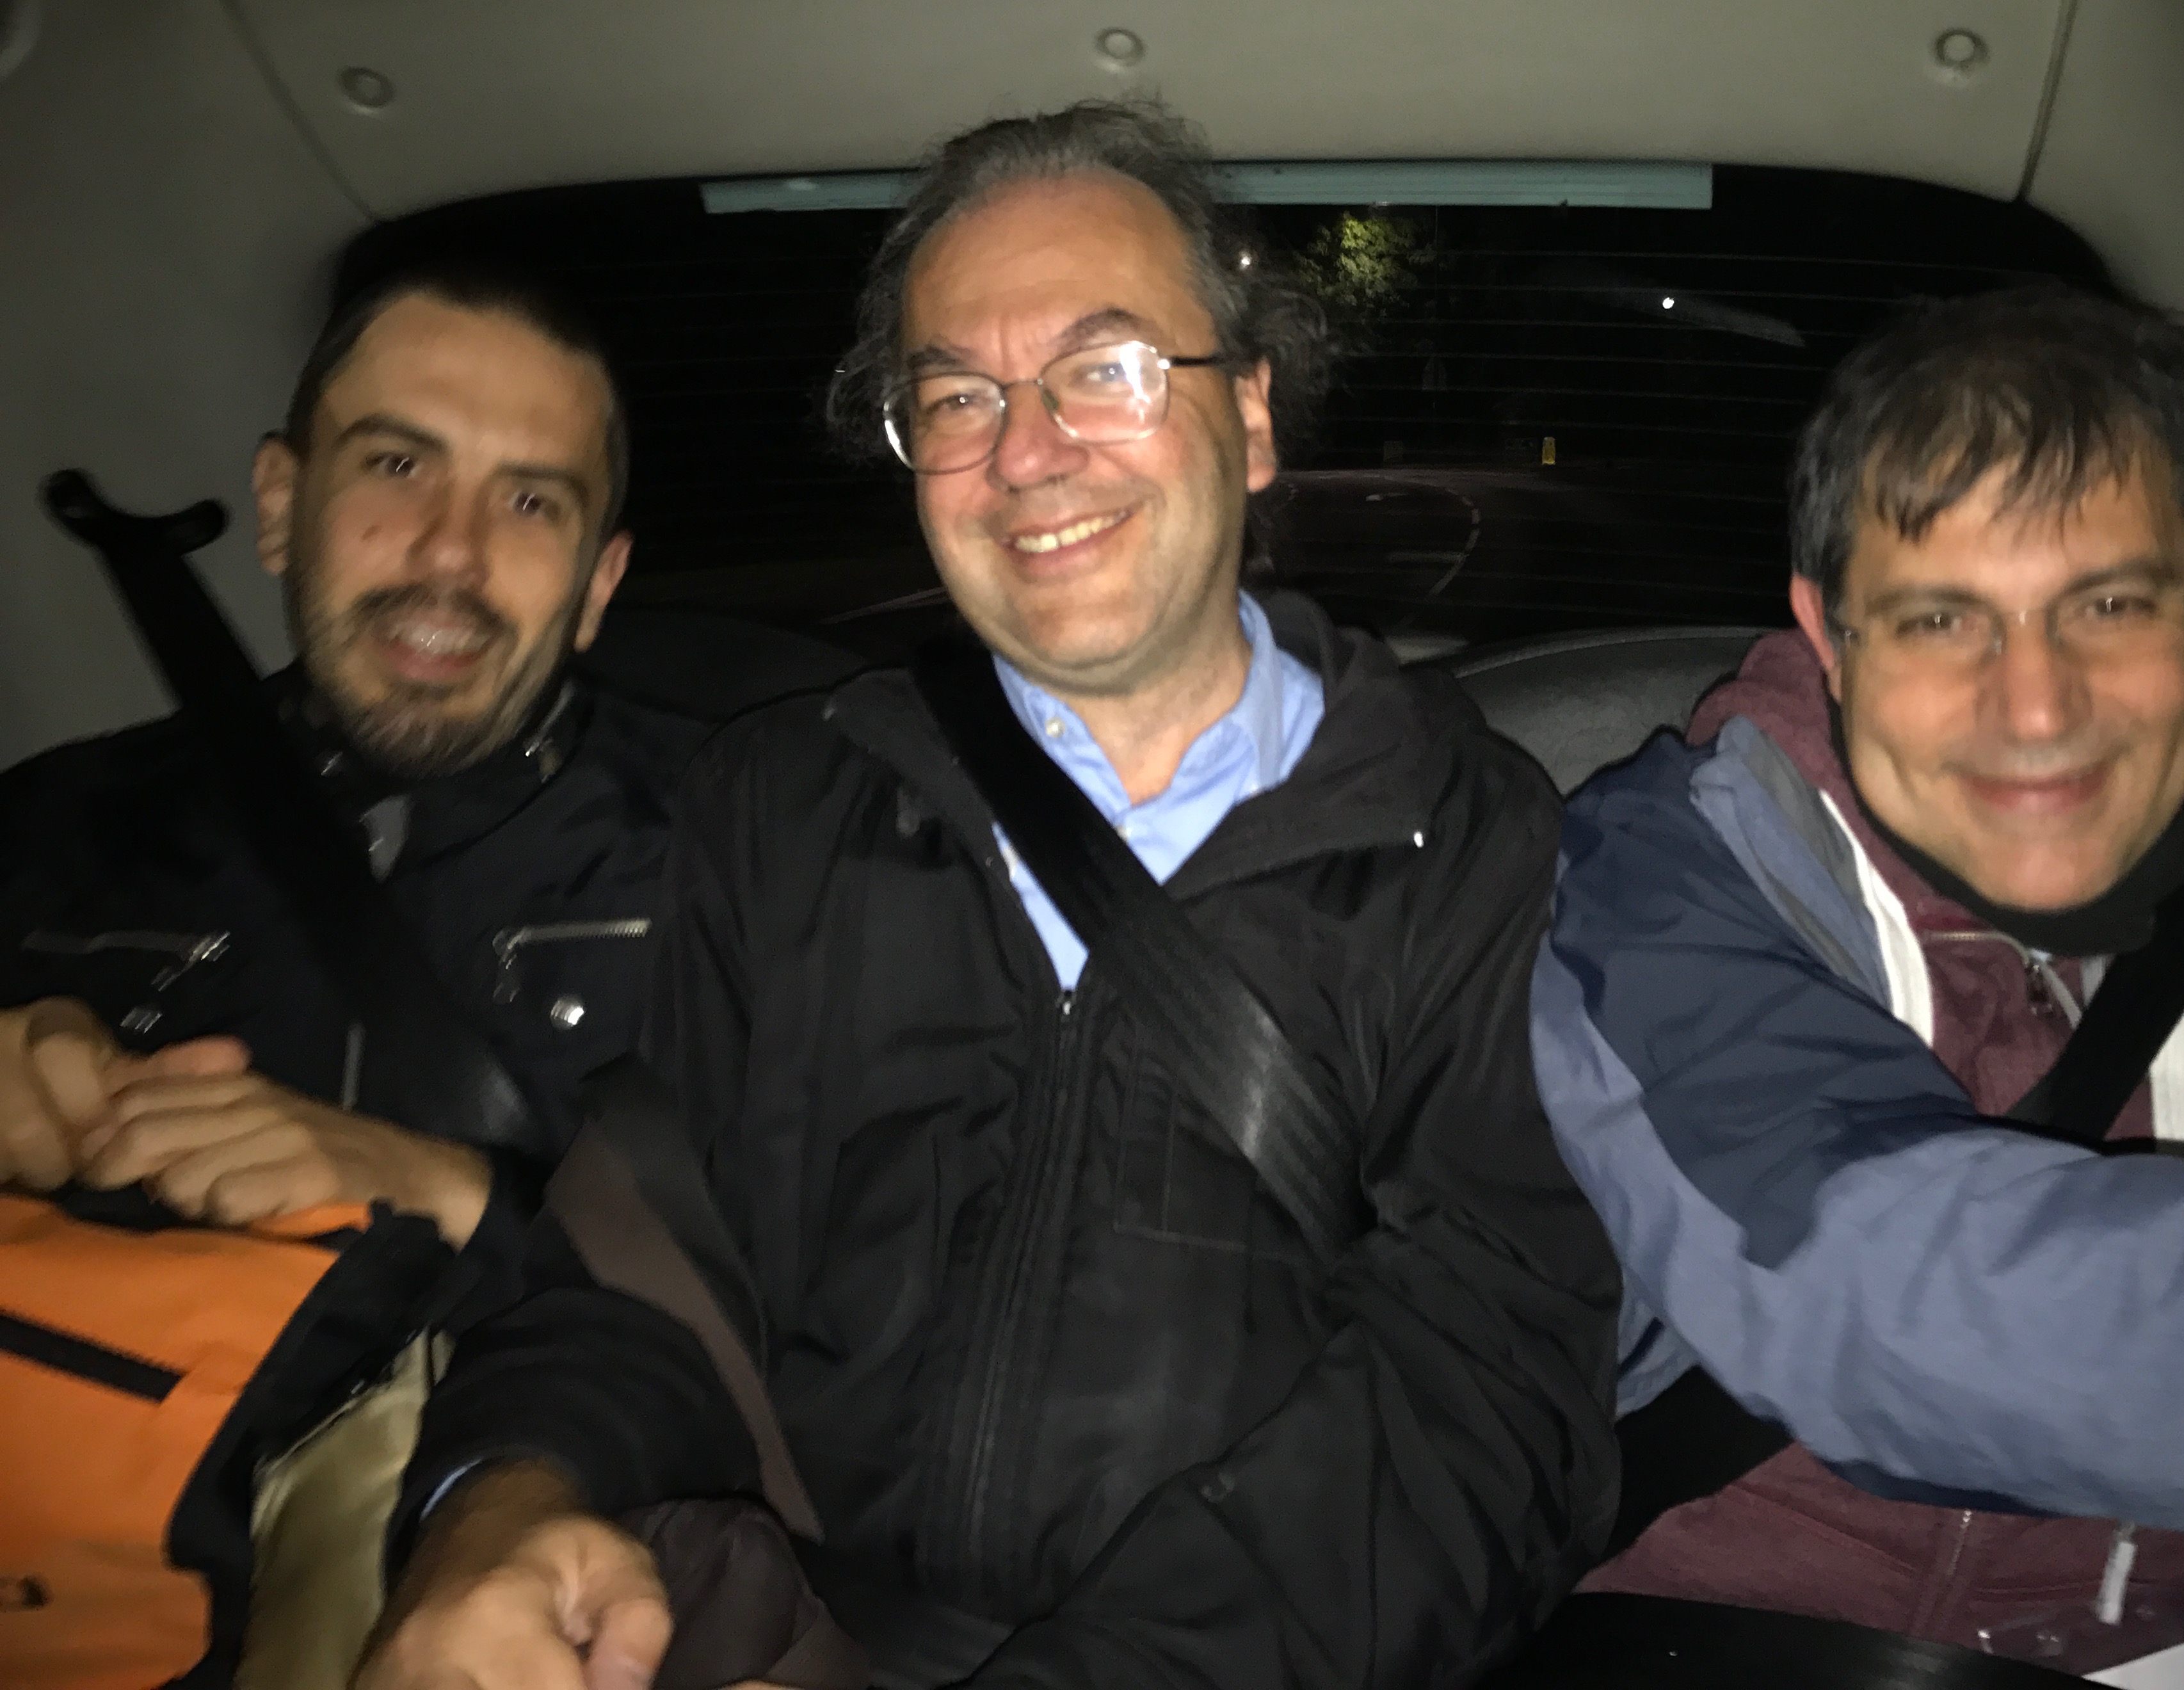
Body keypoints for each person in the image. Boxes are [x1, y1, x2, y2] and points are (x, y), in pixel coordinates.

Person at [360, 101, 1621, 1690]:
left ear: (1249, 420)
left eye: (1106, 370)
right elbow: (651, 1258)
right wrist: (502, 1496)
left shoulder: (1469, 840)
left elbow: (1480, 1411)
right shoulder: (784, 804)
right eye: (958, 396)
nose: (1026, 455)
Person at [1533, 283, 2184, 1688]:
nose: (2034, 708)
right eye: (1939, 620)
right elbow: (1890, 1309)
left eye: (2109, 604)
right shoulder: (1665, 892)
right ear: (1829, 636)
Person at [0, 264, 705, 1265]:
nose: (451, 554)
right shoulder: (45, 827)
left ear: (597, 585)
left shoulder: (750, 849)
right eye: (398, 466)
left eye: (530, 502)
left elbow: (827, 1299)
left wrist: (449, 1191)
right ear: (281, 505)